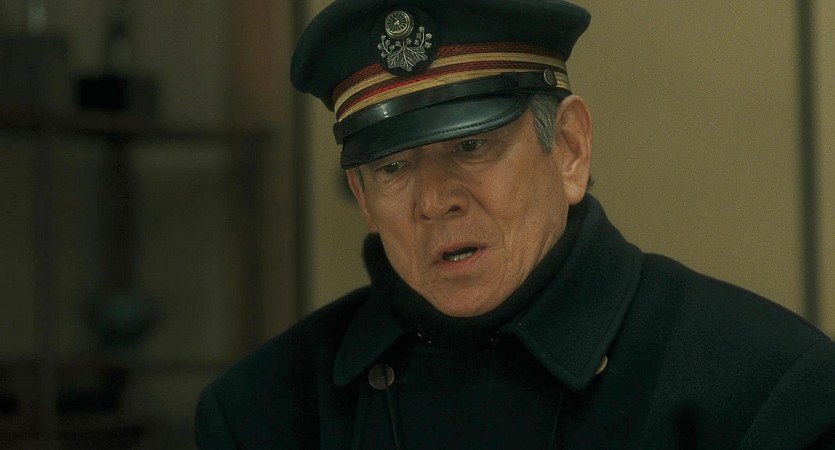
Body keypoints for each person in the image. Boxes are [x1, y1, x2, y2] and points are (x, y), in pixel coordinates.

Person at [195, 0, 835, 448]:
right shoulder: (264, 414)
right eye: (393, 166)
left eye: (472, 147)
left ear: (571, 149)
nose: (434, 201)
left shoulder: (764, 388)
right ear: (363, 196)